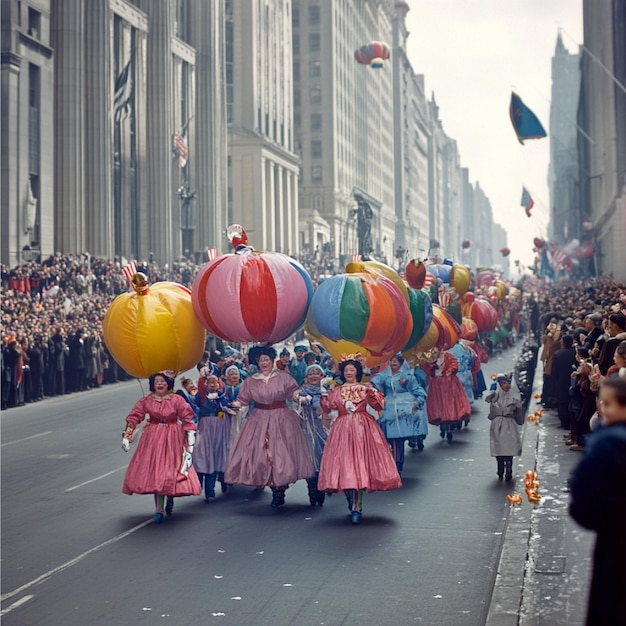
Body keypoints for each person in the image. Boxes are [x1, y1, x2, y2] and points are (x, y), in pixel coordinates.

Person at [224, 345, 314, 508]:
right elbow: (243, 399)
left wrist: (301, 398)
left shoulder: (283, 377)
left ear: (273, 360)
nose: (263, 362)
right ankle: (276, 491)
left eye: (266, 359)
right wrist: (235, 404)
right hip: (259, 419)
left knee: (282, 453)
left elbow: (292, 393)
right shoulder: (250, 381)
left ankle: (287, 487)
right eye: (260, 360)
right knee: (265, 455)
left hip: (282, 419)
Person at [318, 354, 402, 525]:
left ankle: (357, 506)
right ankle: (352, 500)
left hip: (363, 428)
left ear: (357, 371)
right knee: (346, 465)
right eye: (346, 370)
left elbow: (378, 405)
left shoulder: (365, 388)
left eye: (352, 369)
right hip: (342, 429)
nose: (349, 372)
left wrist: (373, 393)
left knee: (360, 465)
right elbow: (328, 407)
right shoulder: (336, 390)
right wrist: (323, 392)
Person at [569, 376, 626, 625]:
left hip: (616, 544)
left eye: (608, 403)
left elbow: (583, 507)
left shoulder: (607, 444)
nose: (602, 409)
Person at [121, 371, 201, 523]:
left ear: (168, 383)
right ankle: (159, 509)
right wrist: (127, 436)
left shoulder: (177, 400)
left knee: (170, 471)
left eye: (163, 381)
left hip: (173, 438)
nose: (159, 384)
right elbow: (134, 417)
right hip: (153, 439)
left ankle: (169, 496)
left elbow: (188, 420)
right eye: (157, 381)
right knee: (157, 473)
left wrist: (190, 441)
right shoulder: (146, 401)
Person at [371, 353, 427, 473]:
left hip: (403, 411)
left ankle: (398, 463)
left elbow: (417, 390)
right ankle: (391, 462)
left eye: (396, 360)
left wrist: (417, 403)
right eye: (391, 360)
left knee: (398, 439)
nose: (393, 363)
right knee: (387, 438)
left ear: (401, 363)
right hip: (388, 410)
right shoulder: (384, 376)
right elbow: (374, 382)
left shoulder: (407, 376)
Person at [194, 374, 236, 500]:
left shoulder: (223, 396)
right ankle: (202, 486)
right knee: (205, 456)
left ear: (219, 384)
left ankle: (221, 481)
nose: (213, 385)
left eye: (215, 382)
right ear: (206, 384)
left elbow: (228, 409)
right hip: (205, 427)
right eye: (210, 382)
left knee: (218, 454)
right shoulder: (200, 396)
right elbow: (193, 408)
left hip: (220, 427)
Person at [294, 364, 331, 506]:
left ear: (322, 377)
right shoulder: (302, 393)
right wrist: (300, 401)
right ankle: (312, 488)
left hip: (325, 430)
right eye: (311, 374)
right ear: (306, 377)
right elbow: (294, 402)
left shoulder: (327, 392)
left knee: (324, 460)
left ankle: (322, 487)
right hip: (307, 432)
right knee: (310, 461)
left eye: (317, 373)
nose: (314, 376)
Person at [425, 350, 471, 442]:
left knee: (448, 404)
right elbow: (426, 369)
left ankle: (448, 427)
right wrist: (431, 368)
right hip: (436, 384)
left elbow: (454, 365)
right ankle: (443, 426)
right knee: (439, 405)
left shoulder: (448, 355)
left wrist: (449, 371)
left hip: (449, 383)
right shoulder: (429, 356)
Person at [484, 373, 524, 481]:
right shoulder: (495, 396)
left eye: (508, 383)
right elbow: (491, 411)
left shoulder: (514, 397)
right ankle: (500, 467)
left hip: (509, 422)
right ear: (500, 384)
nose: (507, 386)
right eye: (504, 383)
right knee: (499, 446)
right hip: (498, 423)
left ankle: (509, 467)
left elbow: (519, 411)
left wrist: (519, 421)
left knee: (509, 446)